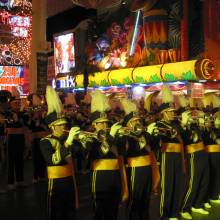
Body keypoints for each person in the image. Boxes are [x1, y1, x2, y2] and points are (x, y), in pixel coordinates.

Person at [77, 90, 127, 220]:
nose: (105, 125)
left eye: (106, 122)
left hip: (115, 178)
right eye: (101, 123)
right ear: (94, 124)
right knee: (99, 213)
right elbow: (98, 153)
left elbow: (123, 153)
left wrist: (121, 137)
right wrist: (110, 137)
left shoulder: (112, 137)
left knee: (113, 212)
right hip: (99, 180)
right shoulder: (90, 138)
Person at [40, 86, 79, 220]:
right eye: (60, 125)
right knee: (56, 212)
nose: (64, 127)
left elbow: (79, 154)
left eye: (64, 124)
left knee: (70, 212)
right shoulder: (45, 142)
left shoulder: (66, 138)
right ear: (52, 127)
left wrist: (83, 142)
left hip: (69, 179)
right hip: (56, 182)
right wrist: (67, 143)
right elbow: (53, 160)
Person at [116, 98, 159, 220]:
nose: (137, 123)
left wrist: (153, 135)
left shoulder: (143, 134)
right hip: (135, 171)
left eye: (138, 120)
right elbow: (130, 151)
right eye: (134, 121)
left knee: (146, 199)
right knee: (135, 201)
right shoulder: (126, 137)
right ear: (128, 124)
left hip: (147, 169)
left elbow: (154, 148)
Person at [153, 86, 185, 220]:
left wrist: (184, 124)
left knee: (178, 184)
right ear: (164, 113)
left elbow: (182, 135)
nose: (173, 113)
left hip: (177, 155)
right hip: (167, 156)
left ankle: (175, 211)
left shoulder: (176, 123)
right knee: (167, 185)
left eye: (173, 111)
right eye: (170, 111)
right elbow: (164, 138)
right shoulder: (159, 124)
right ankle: (165, 214)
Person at [179, 103, 209, 219]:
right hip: (192, 155)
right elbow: (185, 139)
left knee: (204, 181)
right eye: (191, 112)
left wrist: (204, 125)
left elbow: (205, 138)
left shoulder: (196, 124)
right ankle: (184, 208)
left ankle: (197, 204)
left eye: (194, 112)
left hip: (202, 153)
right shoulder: (184, 128)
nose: (194, 114)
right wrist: (185, 124)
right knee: (193, 183)